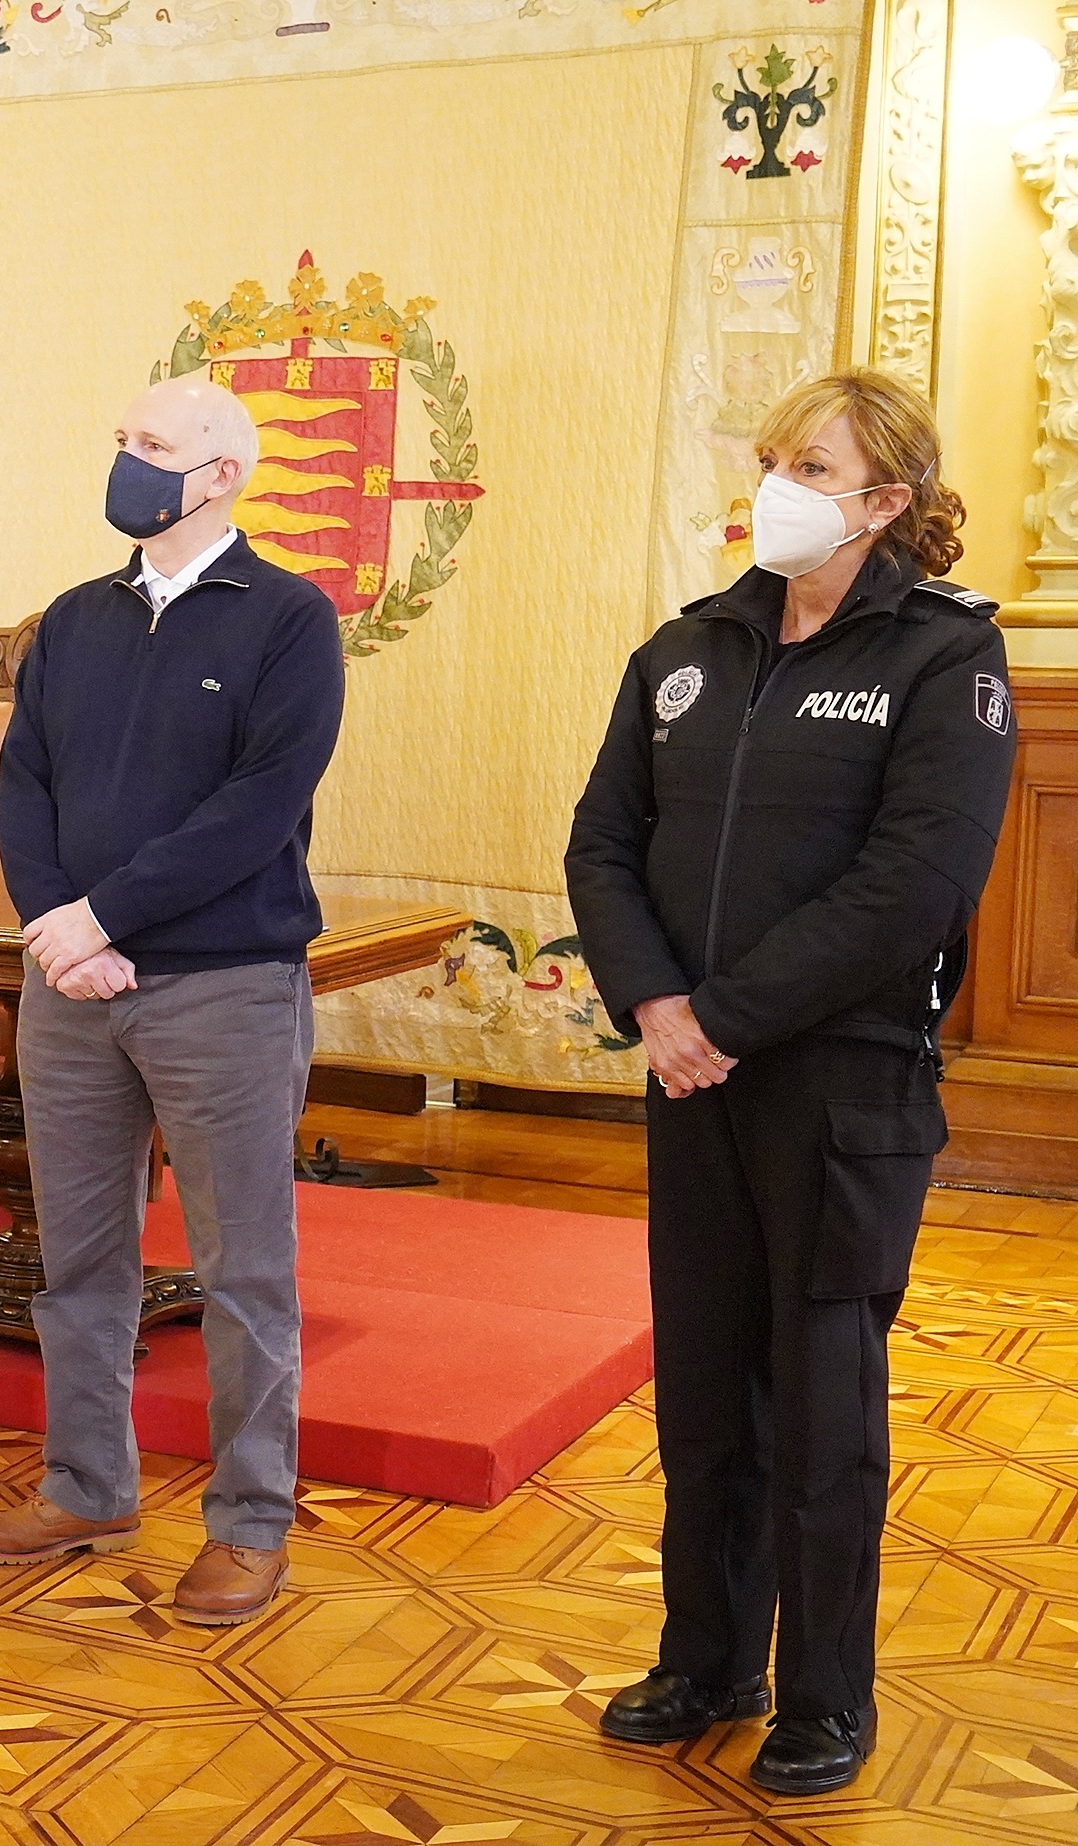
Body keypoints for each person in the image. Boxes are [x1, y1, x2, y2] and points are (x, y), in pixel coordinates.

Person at [566, 369, 1015, 1796]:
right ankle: (705, 1658)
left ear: (885, 499)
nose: (775, 483)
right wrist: (657, 1006)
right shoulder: (689, 644)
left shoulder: (944, 657)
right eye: (772, 457)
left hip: (838, 1084)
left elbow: (915, 882)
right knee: (704, 1386)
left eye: (809, 465)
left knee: (822, 1405)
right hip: (689, 1073)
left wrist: (723, 1015)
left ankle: (824, 1695)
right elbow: (600, 841)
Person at [0, 374, 346, 1630]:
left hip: (222, 986)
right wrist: (54, 923)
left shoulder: (288, 619)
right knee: (76, 1259)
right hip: (71, 988)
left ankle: (247, 1525)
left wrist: (104, 918)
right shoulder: (74, 619)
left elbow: (258, 806)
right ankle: (85, 1487)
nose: (125, 459)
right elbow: (23, 781)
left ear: (221, 473)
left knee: (243, 1274)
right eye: (119, 437)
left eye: (152, 443)